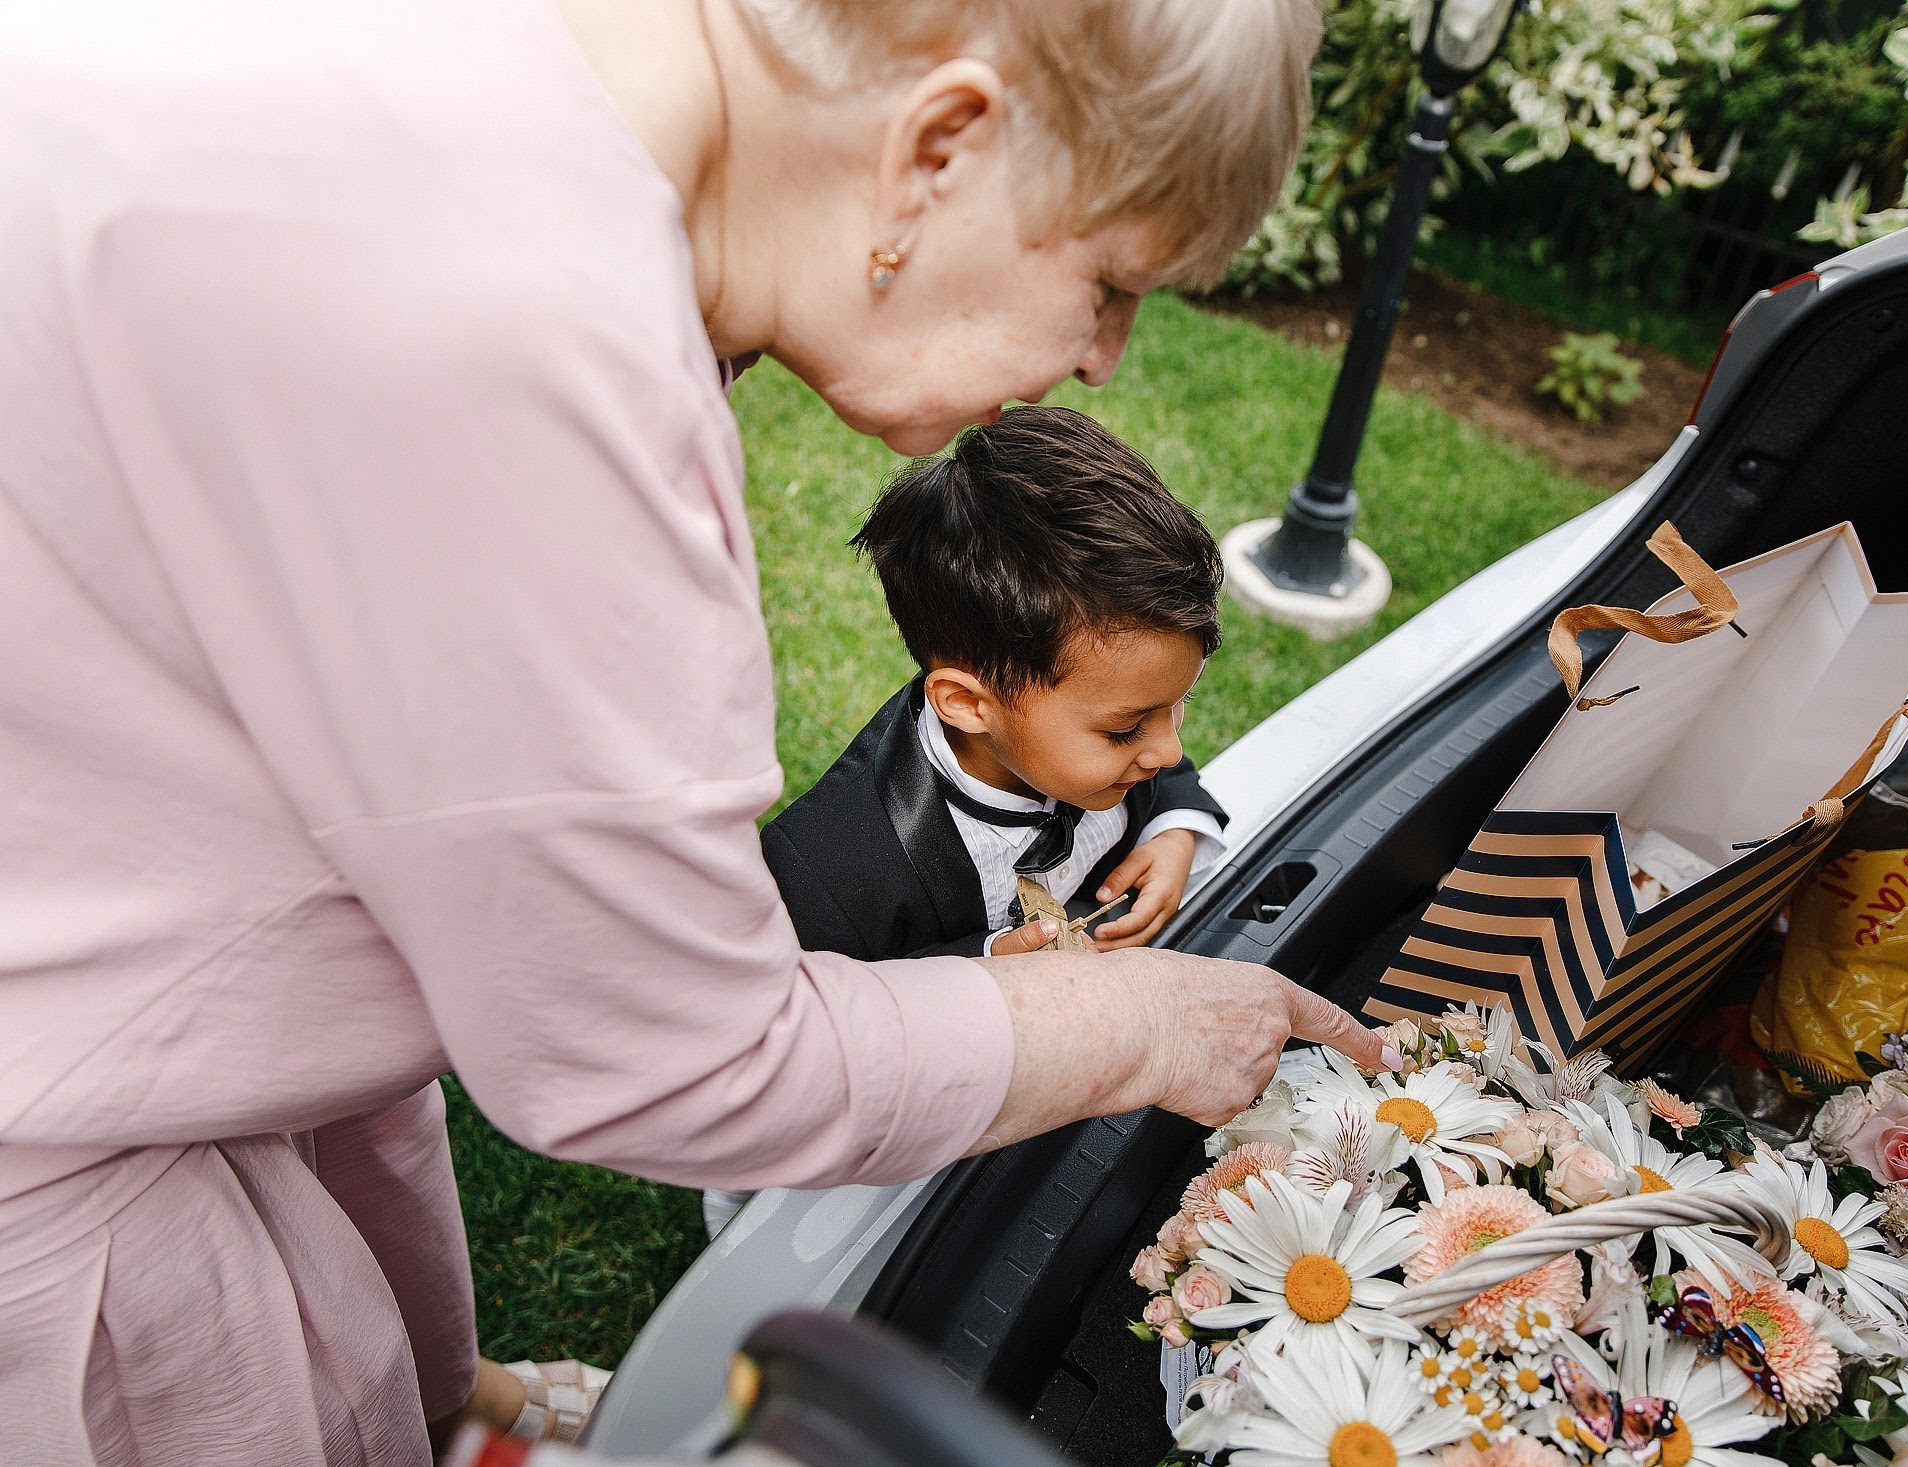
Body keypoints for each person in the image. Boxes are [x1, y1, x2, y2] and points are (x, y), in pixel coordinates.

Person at [0, 1, 1400, 1463]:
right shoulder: (518, 331)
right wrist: (1146, 1017)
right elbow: (678, 1051)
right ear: (941, 146)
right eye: (1112, 280)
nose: (1105, 357)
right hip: (71, 1184)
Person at [765, 406, 1229, 963]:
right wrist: (979, 964)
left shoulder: (1112, 719)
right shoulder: (832, 873)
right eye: (1127, 729)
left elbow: (1162, 762)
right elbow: (827, 1001)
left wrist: (1176, 833)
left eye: (1179, 705)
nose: (1169, 749)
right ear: (966, 704)